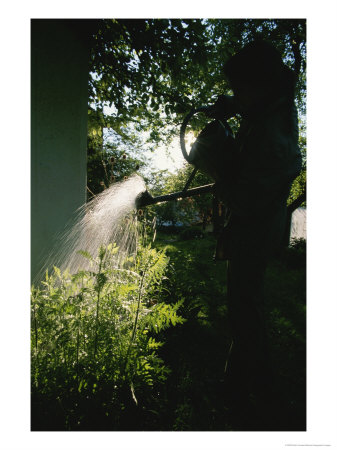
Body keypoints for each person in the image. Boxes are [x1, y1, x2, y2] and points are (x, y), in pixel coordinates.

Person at [193, 40, 303, 427]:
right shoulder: (268, 107)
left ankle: (265, 397)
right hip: (255, 224)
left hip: (256, 229)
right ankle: (236, 382)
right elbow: (248, 107)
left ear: (262, 83)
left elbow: (246, 198)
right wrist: (230, 107)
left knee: (245, 310)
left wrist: (216, 171)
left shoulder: (272, 139)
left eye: (241, 86)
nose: (237, 93)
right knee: (244, 307)